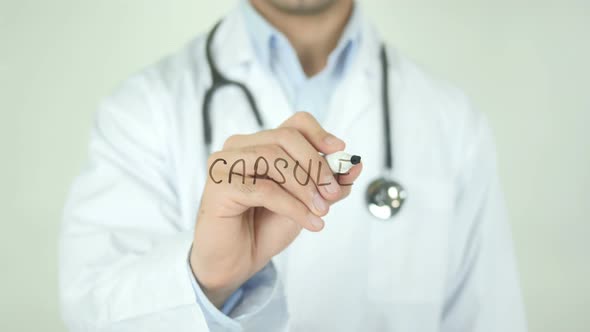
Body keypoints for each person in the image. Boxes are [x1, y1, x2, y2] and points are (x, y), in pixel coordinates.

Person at [59, 0, 527, 331]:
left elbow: (491, 320)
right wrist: (208, 278)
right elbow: (91, 314)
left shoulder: (452, 122)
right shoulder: (143, 110)